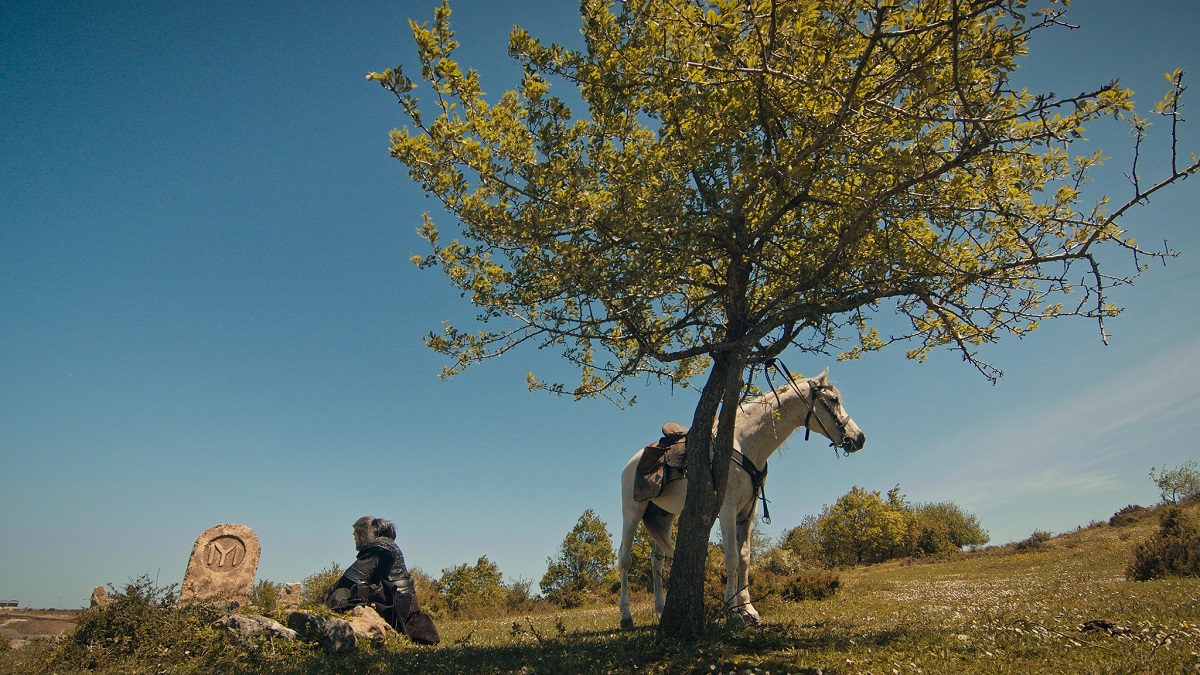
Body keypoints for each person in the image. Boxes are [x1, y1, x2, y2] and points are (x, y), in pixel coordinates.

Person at [325, 516, 439, 644]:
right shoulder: (388, 544)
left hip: (395, 602)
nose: (354, 539)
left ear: (362, 536)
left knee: (345, 591)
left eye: (354, 535)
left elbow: (352, 577)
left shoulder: (378, 547)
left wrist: (328, 594)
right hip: (406, 600)